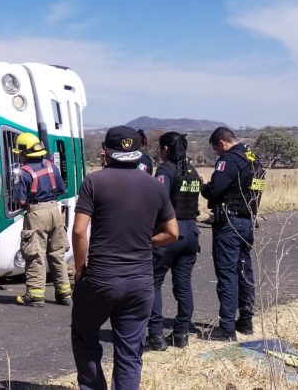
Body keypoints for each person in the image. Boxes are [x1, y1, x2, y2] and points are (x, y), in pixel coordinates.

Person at [70, 126, 179, 390]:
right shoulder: (154, 186)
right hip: (140, 280)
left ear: (106, 151)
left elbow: (79, 231)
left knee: (84, 335)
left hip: (102, 276)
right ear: (137, 150)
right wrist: (146, 242)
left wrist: (80, 267)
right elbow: (172, 233)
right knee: (130, 350)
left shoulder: (94, 182)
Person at [201, 127, 264, 341]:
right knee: (244, 270)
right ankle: (246, 321)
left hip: (229, 222)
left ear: (222, 143)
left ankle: (226, 327)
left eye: (216, 150)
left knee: (227, 273)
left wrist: (205, 187)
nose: (217, 154)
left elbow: (215, 189)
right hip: (248, 220)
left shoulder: (229, 160)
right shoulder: (253, 158)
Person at [146, 132, 203, 350]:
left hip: (169, 233)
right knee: (184, 285)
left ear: (166, 149)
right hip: (190, 233)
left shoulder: (165, 170)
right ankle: (181, 334)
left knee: (154, 282)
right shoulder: (192, 171)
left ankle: (156, 335)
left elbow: (157, 201)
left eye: (160, 148)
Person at [12, 132, 71, 307]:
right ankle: (64, 293)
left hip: (36, 213)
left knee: (35, 254)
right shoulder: (52, 167)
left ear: (24, 153)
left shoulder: (23, 172)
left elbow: (21, 200)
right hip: (55, 211)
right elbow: (62, 189)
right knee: (57, 254)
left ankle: (35, 295)